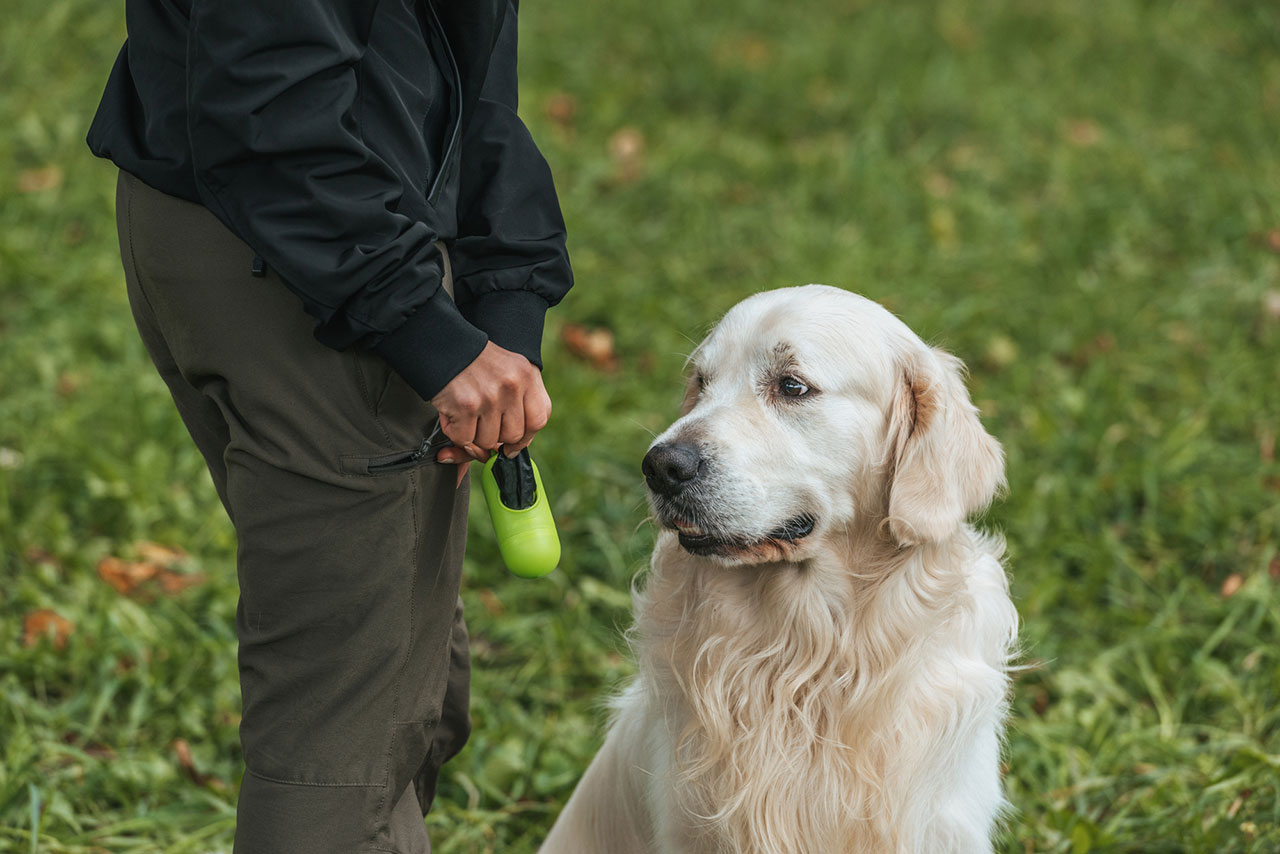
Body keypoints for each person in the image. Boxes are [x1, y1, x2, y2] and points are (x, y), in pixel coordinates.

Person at [86, 0, 572, 850]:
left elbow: (469, 67)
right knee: (343, 746)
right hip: (307, 248)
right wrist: (419, 324)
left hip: (320, 225)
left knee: (400, 671)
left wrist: (505, 294)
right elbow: (267, 101)